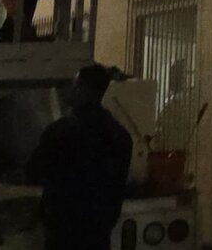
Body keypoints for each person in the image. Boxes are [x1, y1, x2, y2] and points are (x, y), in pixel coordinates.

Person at [26, 64, 133, 250]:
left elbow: (35, 171)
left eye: (74, 85)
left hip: (64, 232)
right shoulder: (121, 136)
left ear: (83, 89)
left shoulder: (60, 132)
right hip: (98, 231)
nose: (70, 90)